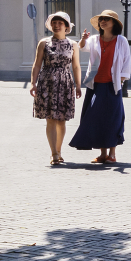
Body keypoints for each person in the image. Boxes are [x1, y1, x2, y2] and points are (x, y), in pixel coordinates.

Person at [72, 11, 131, 163]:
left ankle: (112, 154)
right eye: (101, 20)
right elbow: (82, 48)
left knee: (113, 118)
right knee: (96, 117)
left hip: (113, 85)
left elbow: (126, 61)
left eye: (106, 19)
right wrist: (83, 40)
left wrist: (121, 79)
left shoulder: (121, 40)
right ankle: (103, 153)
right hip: (95, 84)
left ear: (114, 23)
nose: (103, 22)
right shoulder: (94, 39)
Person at [30, 12, 84, 166]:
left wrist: (78, 86)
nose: (56, 25)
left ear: (66, 26)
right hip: (47, 82)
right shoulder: (43, 43)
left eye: (60, 23)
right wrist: (33, 83)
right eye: (54, 22)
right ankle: (54, 153)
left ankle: (58, 151)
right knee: (50, 119)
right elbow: (37, 64)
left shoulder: (73, 44)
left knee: (61, 120)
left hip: (65, 83)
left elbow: (76, 66)